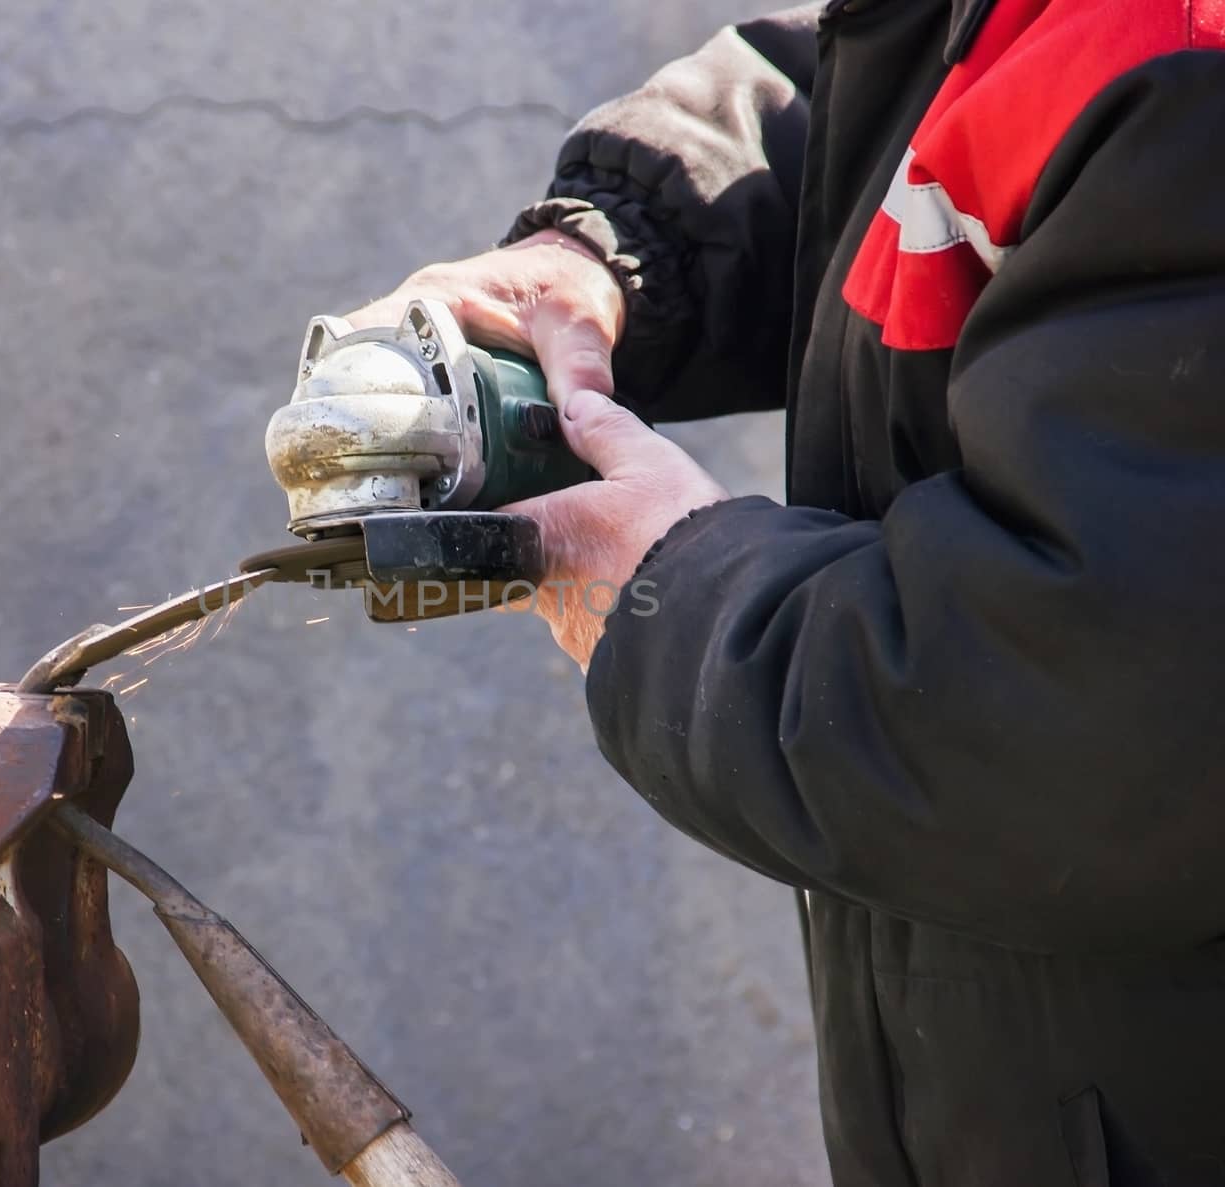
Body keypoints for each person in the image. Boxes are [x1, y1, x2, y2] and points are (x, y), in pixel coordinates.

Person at [345, 1, 1225, 1182]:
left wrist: (669, 595)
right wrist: (607, 248)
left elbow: (1083, 734)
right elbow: (875, 92)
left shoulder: (1184, 66)